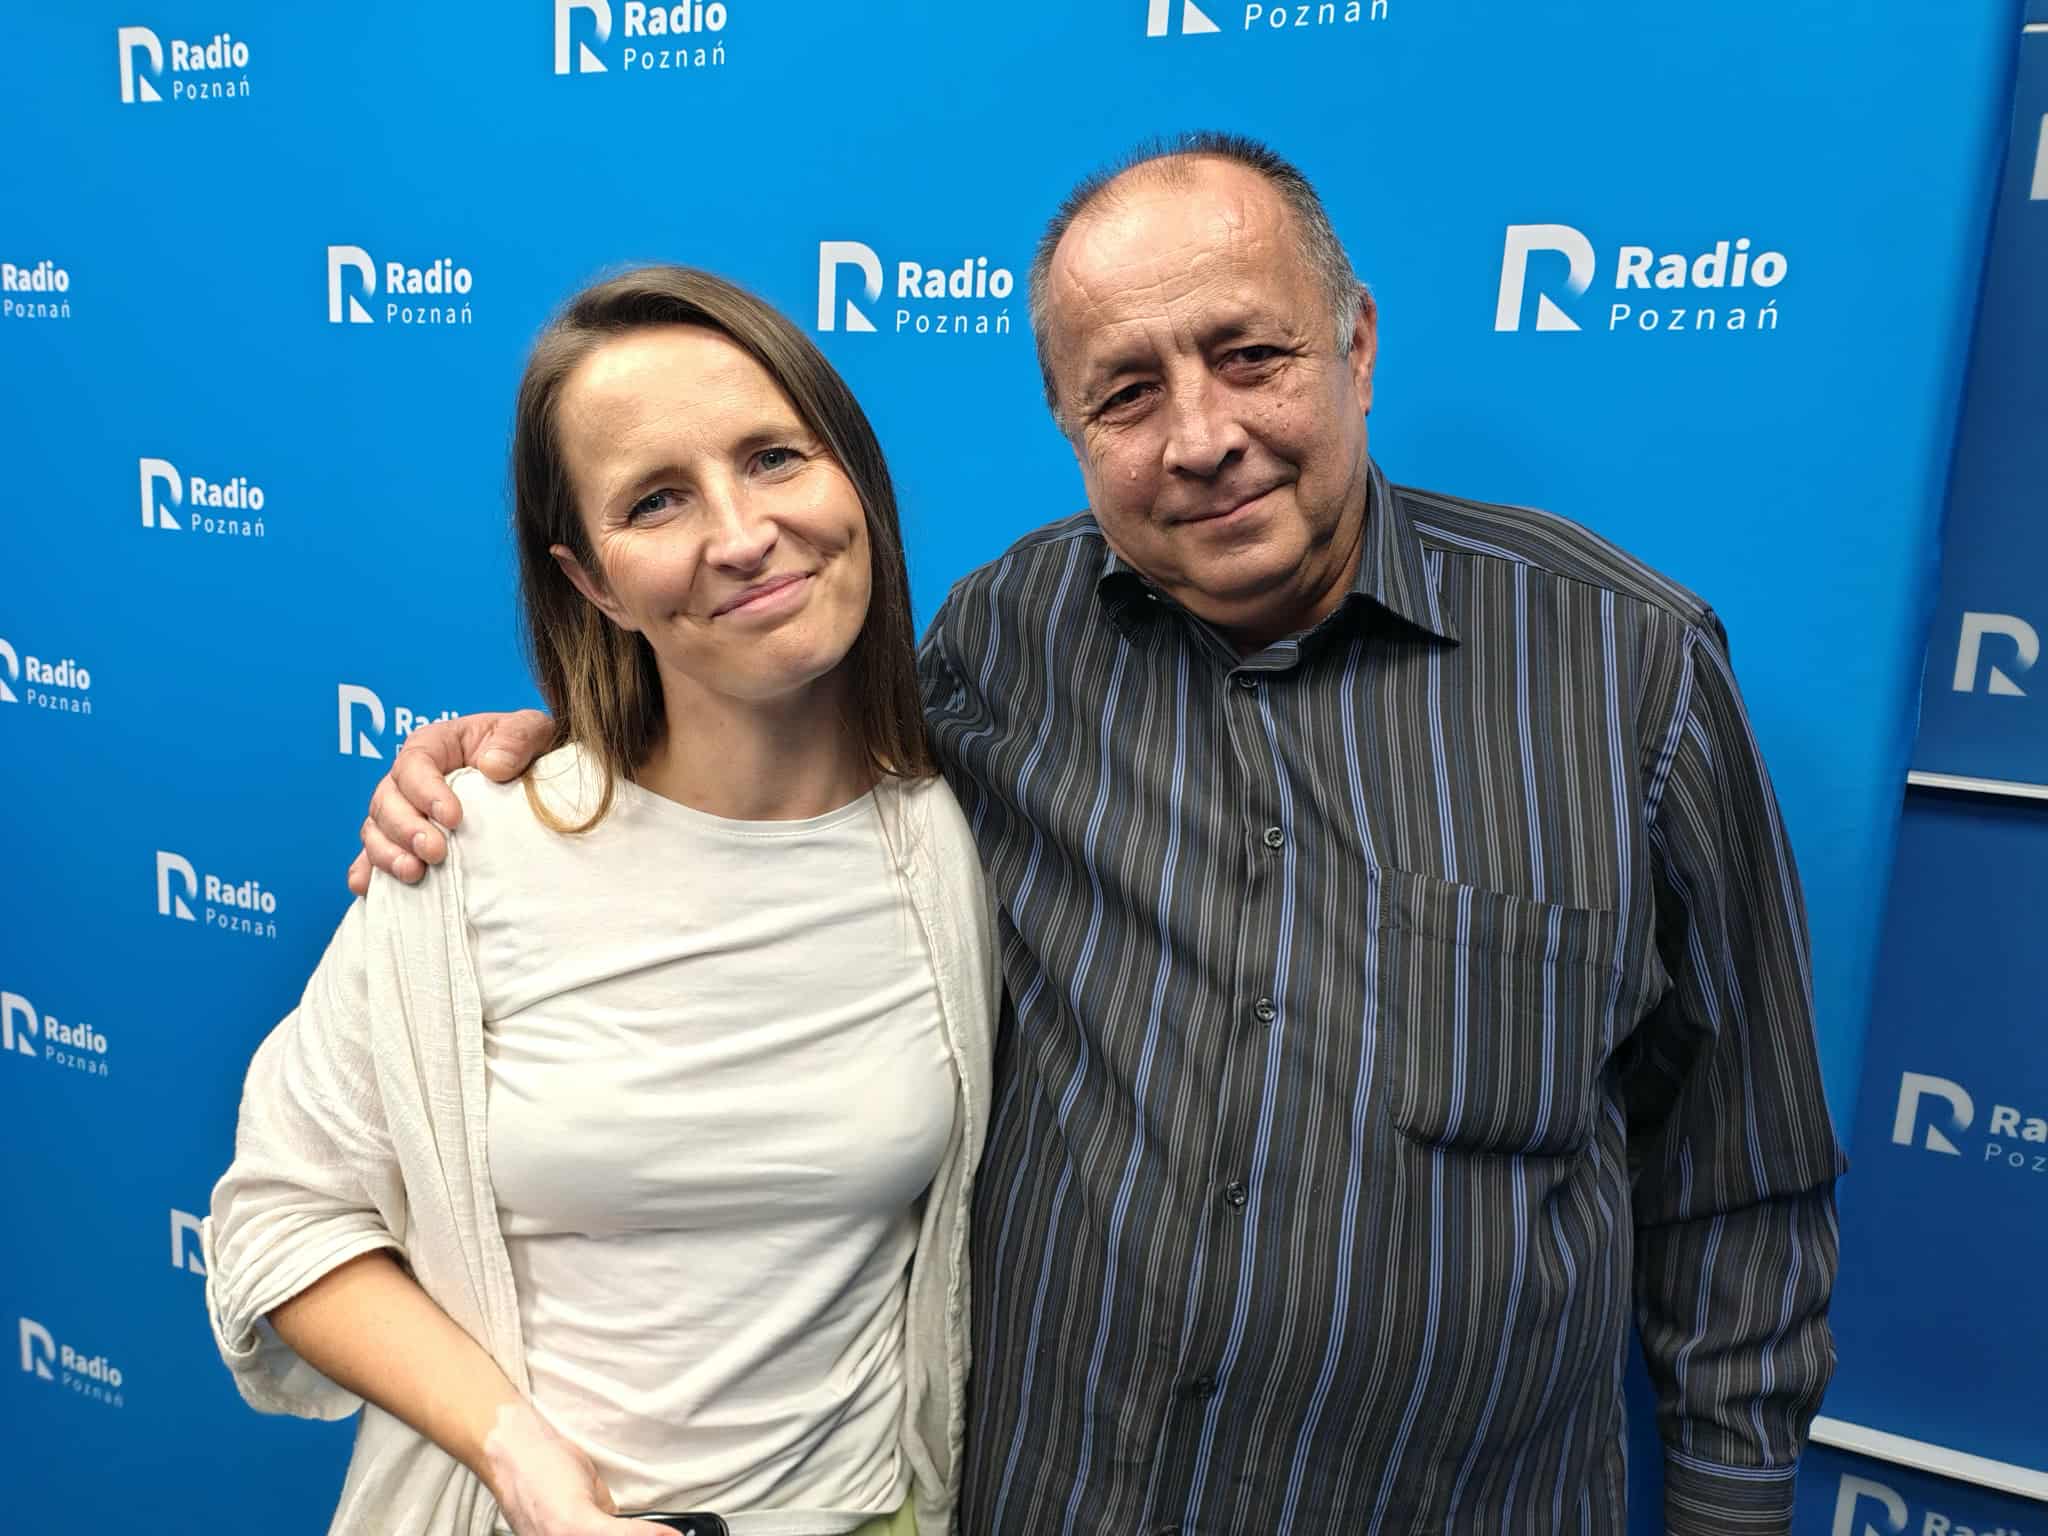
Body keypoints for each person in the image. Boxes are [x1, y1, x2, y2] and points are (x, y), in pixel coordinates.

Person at [352, 136, 1845, 1535]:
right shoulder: (1004, 644)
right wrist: (560, 755)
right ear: (1068, 428)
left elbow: (1744, 1184)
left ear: (1356, 344)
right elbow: (772, 760)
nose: (1202, 438)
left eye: (1250, 356)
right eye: (1126, 395)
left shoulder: (1621, 669)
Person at [206, 266, 997, 1536]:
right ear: (593, 584)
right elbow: (280, 1219)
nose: (740, 535)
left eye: (774, 458)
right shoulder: (466, 848)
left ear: (852, 476)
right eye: (656, 499)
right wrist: (518, 1459)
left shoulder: (964, 839)